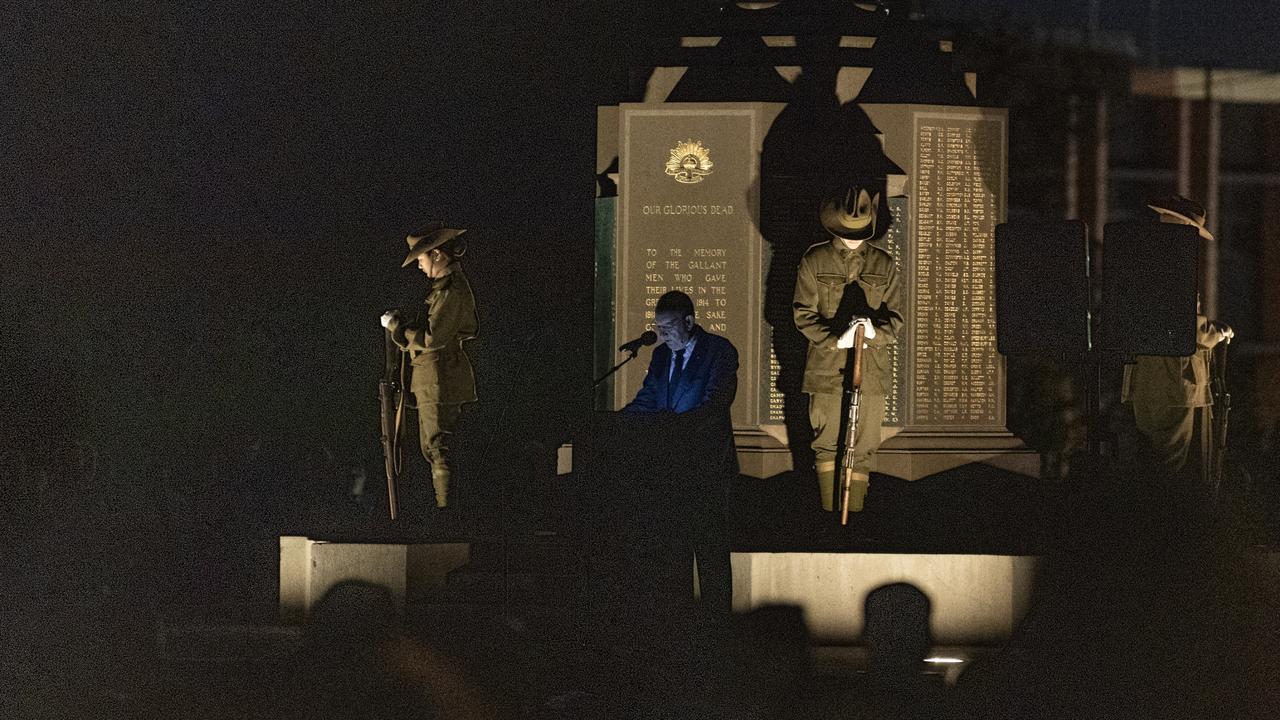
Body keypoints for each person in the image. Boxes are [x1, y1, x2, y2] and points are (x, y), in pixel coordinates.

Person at [623, 290, 739, 618]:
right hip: (668, 473)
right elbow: (648, 399)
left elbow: (716, 404)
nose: (663, 335)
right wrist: (620, 424)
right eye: (658, 328)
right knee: (674, 556)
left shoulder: (719, 351)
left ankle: (718, 629)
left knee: (711, 556)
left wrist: (676, 429)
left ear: (689, 321)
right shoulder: (660, 356)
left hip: (707, 472)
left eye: (669, 327)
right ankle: (681, 628)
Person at [793, 185, 904, 514]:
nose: (852, 238)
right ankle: (829, 517)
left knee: (865, 444)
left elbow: (896, 319)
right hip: (827, 369)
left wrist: (873, 332)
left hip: (871, 370)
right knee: (826, 443)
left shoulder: (884, 264)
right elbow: (802, 314)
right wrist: (835, 339)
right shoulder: (815, 260)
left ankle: (853, 516)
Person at [1122, 195, 1233, 480]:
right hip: (1175, 385)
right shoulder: (1173, 266)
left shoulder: (1143, 264)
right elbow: (1187, 327)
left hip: (1147, 382)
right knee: (1170, 467)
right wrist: (1218, 333)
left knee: (1152, 462)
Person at [381, 224, 477, 510]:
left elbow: (434, 337)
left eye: (421, 260)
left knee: (438, 449)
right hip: (433, 377)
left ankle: (447, 511)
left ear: (436, 255)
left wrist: (397, 329)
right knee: (433, 448)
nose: (420, 267)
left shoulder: (451, 290)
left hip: (440, 377)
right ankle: (446, 510)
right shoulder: (442, 290)